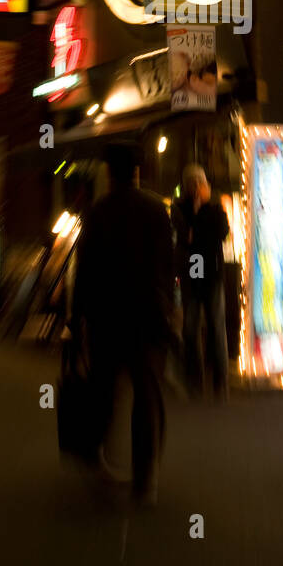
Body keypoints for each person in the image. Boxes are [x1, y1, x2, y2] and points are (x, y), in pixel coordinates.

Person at [71, 143, 176, 505]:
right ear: (136, 171)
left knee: (104, 390)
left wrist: (76, 318)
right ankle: (145, 481)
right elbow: (168, 266)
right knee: (147, 398)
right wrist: (169, 310)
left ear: (109, 174)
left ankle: (97, 459)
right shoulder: (155, 210)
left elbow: (82, 271)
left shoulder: (97, 212)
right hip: (147, 317)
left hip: (106, 319)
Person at [171, 164, 230, 402]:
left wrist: (197, 227)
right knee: (191, 328)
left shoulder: (215, 208)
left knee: (216, 326)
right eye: (192, 183)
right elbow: (183, 236)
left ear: (206, 185)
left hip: (212, 275)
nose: (196, 187)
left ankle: (220, 382)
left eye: (200, 182)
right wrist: (195, 219)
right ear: (185, 186)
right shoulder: (179, 209)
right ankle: (195, 381)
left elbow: (222, 232)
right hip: (191, 276)